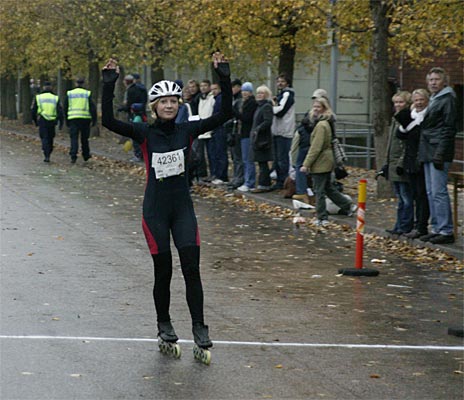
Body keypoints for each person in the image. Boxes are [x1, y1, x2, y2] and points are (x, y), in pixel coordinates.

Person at [101, 52, 233, 350]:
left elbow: (225, 115)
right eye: (164, 102)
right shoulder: (144, 132)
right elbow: (108, 120)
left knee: (191, 269)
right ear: (155, 107)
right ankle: (164, 322)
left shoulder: (187, 130)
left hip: (182, 210)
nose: (170, 105)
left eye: (174, 101)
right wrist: (109, 83)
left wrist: (223, 75)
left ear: (179, 105)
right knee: (164, 271)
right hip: (155, 212)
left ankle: (199, 326)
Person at [300, 97, 355, 226]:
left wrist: (306, 164)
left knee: (319, 190)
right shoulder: (325, 123)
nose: (315, 109)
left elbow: (316, 147)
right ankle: (347, 205)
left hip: (321, 161)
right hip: (326, 159)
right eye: (314, 106)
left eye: (318, 107)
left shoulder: (321, 125)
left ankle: (322, 217)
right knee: (328, 187)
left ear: (324, 109)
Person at [418, 67, 457, 244]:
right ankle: (436, 227)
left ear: (444, 81)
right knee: (430, 191)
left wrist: (440, 153)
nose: (433, 82)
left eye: (436, 79)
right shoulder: (434, 99)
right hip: (428, 149)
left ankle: (445, 229)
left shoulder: (447, 99)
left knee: (439, 191)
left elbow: (448, 128)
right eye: (431, 79)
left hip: (438, 150)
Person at [395, 89, 430, 239]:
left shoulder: (427, 117)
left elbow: (417, 136)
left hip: (422, 159)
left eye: (421, 99)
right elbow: (401, 135)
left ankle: (421, 225)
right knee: (414, 194)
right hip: (410, 160)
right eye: (416, 100)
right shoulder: (410, 116)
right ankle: (415, 224)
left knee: (422, 195)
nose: (419, 103)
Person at [385, 91, 414, 235]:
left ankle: (405, 225)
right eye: (395, 102)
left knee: (406, 197)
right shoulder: (395, 119)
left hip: (400, 164)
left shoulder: (406, 118)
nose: (397, 105)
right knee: (400, 198)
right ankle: (399, 225)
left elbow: (405, 144)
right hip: (393, 162)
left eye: (400, 102)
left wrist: (401, 163)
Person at [271, 73, 296, 190]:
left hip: (284, 131)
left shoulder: (287, 94)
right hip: (278, 130)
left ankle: (284, 182)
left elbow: (280, 111)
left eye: (282, 81)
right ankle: (280, 180)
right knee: (278, 158)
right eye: (278, 81)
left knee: (282, 159)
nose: (279, 83)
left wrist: (271, 107)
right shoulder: (281, 95)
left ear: (287, 83)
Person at [64, 77, 97, 163]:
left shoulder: (70, 93)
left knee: (74, 138)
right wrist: (94, 120)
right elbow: (92, 107)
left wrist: (66, 119)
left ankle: (73, 155)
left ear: (76, 83)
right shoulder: (87, 93)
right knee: (84, 138)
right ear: (83, 84)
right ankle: (86, 155)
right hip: (85, 118)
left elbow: (65, 107)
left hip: (73, 118)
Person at [31, 81, 64, 162]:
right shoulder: (55, 98)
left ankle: (46, 154)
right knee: (50, 137)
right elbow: (60, 111)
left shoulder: (38, 97)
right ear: (51, 87)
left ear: (43, 87)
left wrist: (35, 121)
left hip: (42, 119)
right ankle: (49, 151)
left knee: (44, 137)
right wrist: (61, 122)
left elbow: (33, 110)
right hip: (52, 120)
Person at [250, 85, 274, 193]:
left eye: (262, 93)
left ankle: (264, 184)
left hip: (262, 139)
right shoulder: (259, 106)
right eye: (258, 93)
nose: (259, 95)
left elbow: (268, 121)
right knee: (260, 162)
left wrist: (258, 129)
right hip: (257, 137)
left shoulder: (266, 106)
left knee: (263, 162)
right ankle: (264, 183)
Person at [119, 74, 147, 162]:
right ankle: (142, 154)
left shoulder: (130, 90)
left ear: (126, 82)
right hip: (142, 114)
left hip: (134, 115)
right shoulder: (141, 89)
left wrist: (122, 108)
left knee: (135, 135)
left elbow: (129, 104)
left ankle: (138, 155)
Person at [237, 82, 258, 192]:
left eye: (247, 91)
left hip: (248, 133)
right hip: (243, 133)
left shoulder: (251, 103)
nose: (244, 93)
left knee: (248, 159)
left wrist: (236, 113)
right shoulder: (244, 103)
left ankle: (249, 182)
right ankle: (247, 180)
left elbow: (246, 118)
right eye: (243, 91)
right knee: (245, 159)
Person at [225, 79, 244, 190]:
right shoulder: (234, 99)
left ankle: (239, 178)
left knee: (238, 157)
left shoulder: (239, 100)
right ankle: (236, 177)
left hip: (236, 131)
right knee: (234, 156)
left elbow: (237, 116)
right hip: (231, 130)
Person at [197, 79, 215, 180]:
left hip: (209, 129)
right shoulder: (200, 98)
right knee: (201, 155)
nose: (203, 88)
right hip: (201, 130)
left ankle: (213, 174)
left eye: (205, 86)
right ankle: (204, 173)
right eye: (201, 86)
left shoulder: (212, 98)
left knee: (211, 154)